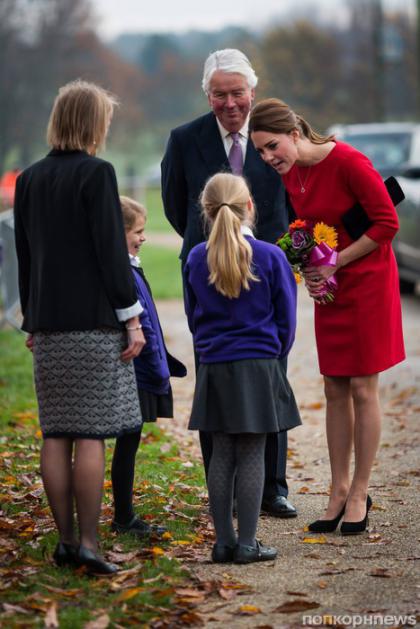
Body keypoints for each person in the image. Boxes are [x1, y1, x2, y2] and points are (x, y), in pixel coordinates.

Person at [250, 98, 405, 535]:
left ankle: (359, 491)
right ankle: (336, 490)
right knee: (334, 385)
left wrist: (335, 261)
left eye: (272, 146)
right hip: (333, 287)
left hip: (369, 281)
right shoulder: (293, 174)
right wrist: (311, 271)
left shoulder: (351, 163)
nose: (268, 158)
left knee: (362, 386)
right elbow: (308, 231)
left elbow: (386, 224)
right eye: (261, 151)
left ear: (295, 134)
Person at [14, 80, 146, 575]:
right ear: (93, 123)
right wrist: (131, 318)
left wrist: (33, 317)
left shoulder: (29, 179)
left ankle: (66, 542)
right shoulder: (97, 173)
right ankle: (90, 543)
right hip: (93, 324)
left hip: (48, 324)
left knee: (56, 432)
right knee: (89, 434)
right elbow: (112, 257)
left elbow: (25, 257)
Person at [161, 48, 298, 518]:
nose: (230, 103)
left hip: (269, 270)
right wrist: (217, 252)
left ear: (252, 93)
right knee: (214, 375)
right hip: (210, 271)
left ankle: (271, 488)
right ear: (208, 95)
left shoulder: (273, 138)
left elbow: (294, 200)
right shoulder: (184, 140)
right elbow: (175, 207)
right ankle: (223, 487)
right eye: (219, 94)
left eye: (237, 93)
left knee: (270, 373)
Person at [184, 173, 300, 563]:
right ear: (250, 207)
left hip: (215, 366)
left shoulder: (197, 257)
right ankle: (248, 544)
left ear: (207, 210)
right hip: (258, 364)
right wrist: (271, 355)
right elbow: (287, 320)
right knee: (252, 454)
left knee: (221, 453)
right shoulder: (270, 256)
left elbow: (192, 316)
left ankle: (223, 542)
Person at [111, 196, 186, 537]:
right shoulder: (121, 272)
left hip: (143, 369)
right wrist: (156, 370)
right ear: (118, 231)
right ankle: (123, 517)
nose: (142, 237)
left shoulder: (130, 265)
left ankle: (124, 514)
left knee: (131, 441)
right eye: (137, 231)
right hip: (135, 371)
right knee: (128, 441)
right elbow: (145, 327)